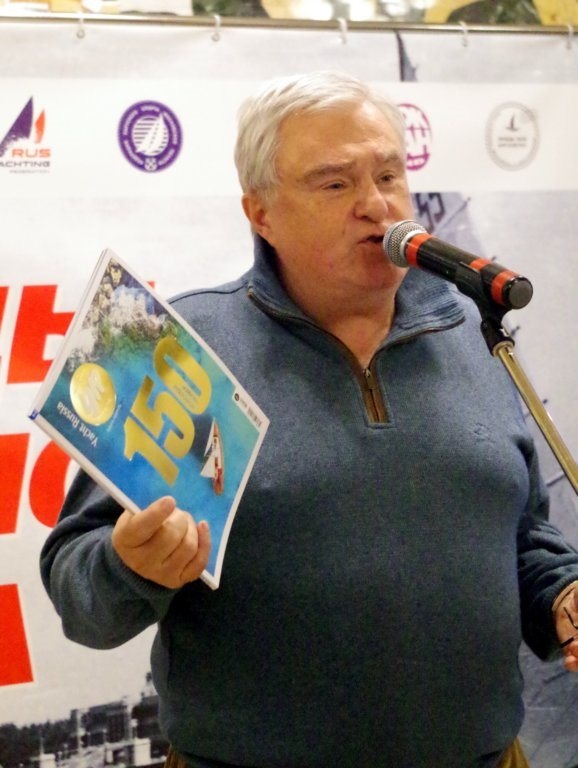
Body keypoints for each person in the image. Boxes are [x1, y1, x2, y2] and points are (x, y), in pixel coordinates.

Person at [40, 70, 578, 768]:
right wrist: (129, 565)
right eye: (334, 183)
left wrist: (562, 596)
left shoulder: (474, 332)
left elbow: (523, 535)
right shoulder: (182, 348)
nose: (376, 204)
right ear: (260, 212)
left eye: (389, 175)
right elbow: (79, 591)